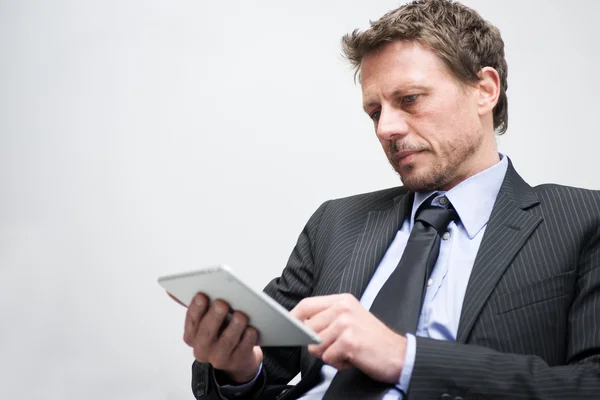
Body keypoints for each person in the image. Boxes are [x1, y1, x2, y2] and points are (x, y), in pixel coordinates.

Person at [177, 0, 600, 399]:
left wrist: (405, 357)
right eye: (375, 111)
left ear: (484, 90)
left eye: (409, 100)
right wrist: (237, 365)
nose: (386, 129)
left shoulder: (580, 220)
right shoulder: (337, 222)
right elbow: (254, 367)